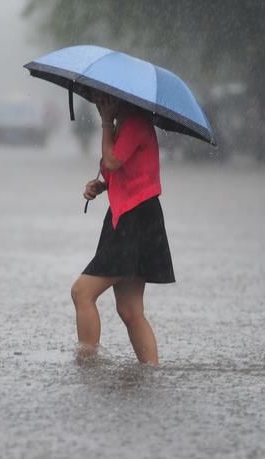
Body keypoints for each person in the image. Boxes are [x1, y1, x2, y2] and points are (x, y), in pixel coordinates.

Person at [71, 90, 175, 366]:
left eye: (105, 100)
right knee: (130, 310)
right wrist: (102, 185)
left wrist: (105, 123)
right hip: (129, 217)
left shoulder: (137, 123)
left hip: (135, 219)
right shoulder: (126, 124)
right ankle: (151, 371)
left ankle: (87, 366)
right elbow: (121, 170)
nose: (101, 105)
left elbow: (112, 161)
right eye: (99, 101)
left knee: (82, 292)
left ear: (121, 99)